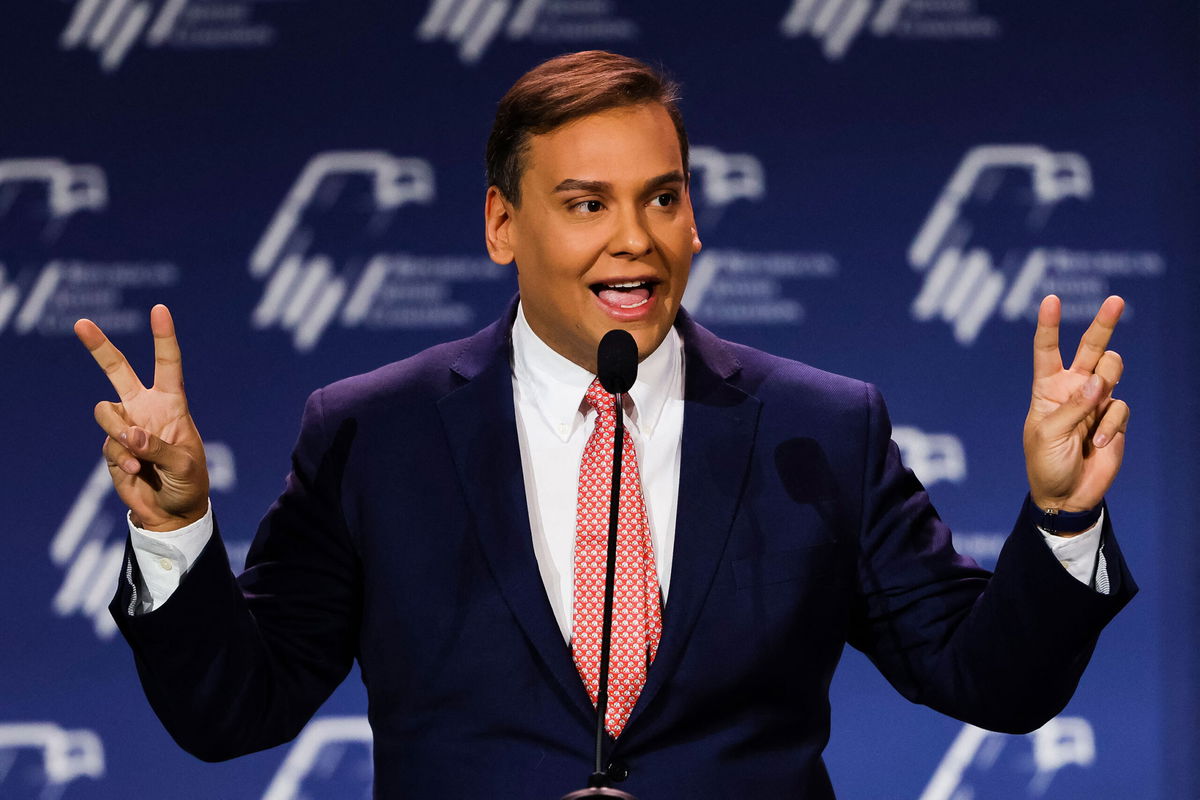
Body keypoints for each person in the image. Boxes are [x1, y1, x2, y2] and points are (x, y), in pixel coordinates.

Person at [75, 51, 1135, 798]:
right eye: (587, 203)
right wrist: (174, 531)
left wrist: (1061, 516)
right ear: (502, 222)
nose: (636, 240)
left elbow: (988, 678)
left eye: (662, 198)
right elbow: (233, 711)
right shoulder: (374, 433)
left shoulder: (821, 428)